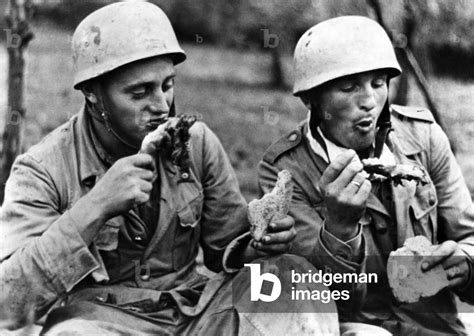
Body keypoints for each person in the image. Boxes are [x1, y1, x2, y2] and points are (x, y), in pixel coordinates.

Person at [0, 3, 339, 335]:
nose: (161, 106)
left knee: (294, 278)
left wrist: (260, 243)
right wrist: (95, 207)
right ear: (92, 93)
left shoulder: (196, 143)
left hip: (196, 313)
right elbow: (8, 306)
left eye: (167, 85)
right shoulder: (41, 170)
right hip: (103, 320)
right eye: (140, 92)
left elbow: (226, 249)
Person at [258, 16, 474, 336]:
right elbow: (319, 300)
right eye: (349, 87)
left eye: (378, 83)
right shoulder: (285, 172)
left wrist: (464, 263)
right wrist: (340, 228)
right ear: (311, 99)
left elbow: (467, 234)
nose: (369, 102)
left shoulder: (424, 138)